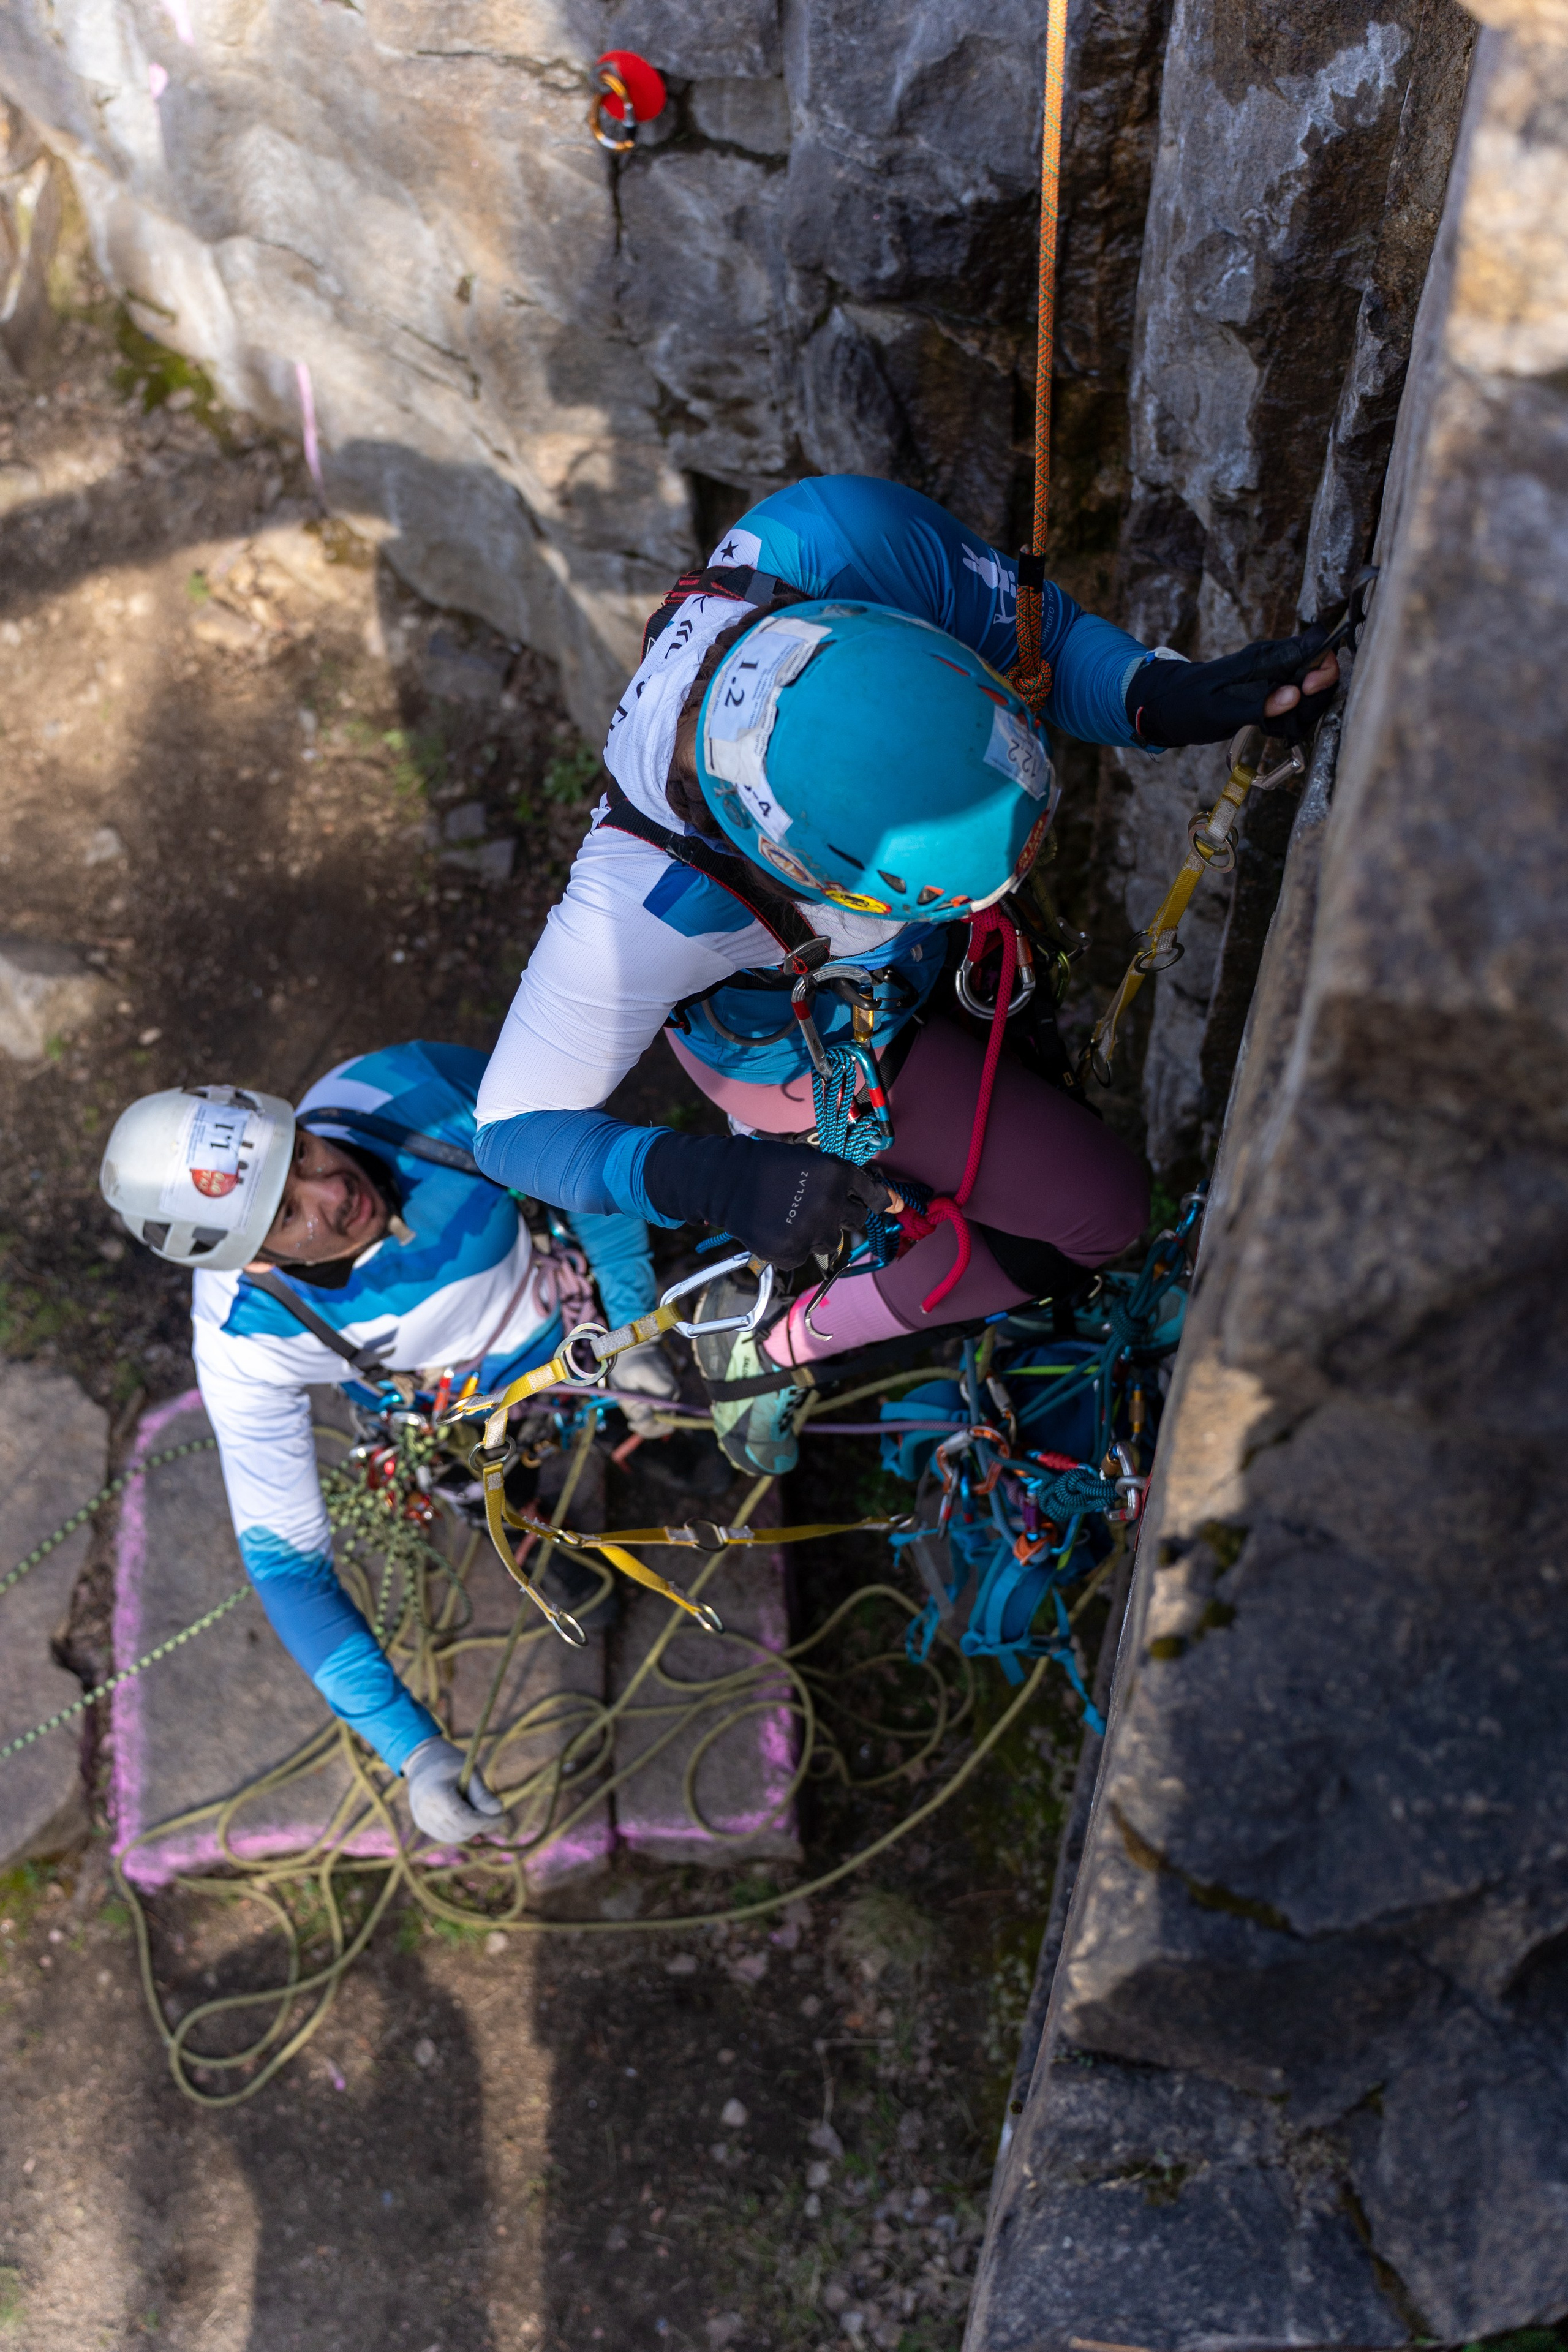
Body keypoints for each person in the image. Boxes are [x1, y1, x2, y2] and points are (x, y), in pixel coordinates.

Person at [470, 475, 1340, 1474]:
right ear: (787, 859)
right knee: (1096, 1215)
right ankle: (776, 1338)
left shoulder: (834, 538)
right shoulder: (639, 910)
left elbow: (1038, 637)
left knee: (1025, 1120)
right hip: (822, 1051)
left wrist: (1155, 694)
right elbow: (507, 1131)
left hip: (903, 958)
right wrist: (707, 1175)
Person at [99, 1039, 676, 1844]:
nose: (333, 1189)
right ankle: (546, 1547)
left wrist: (633, 1319)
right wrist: (414, 1750)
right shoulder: (245, 1340)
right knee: (505, 1500)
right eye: (288, 1215)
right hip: (461, 1411)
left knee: (665, 1411)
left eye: (298, 1152)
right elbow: (287, 1565)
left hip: (576, 1307)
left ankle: (660, 1440)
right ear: (254, 1262)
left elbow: (580, 1163)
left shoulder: (411, 1089)